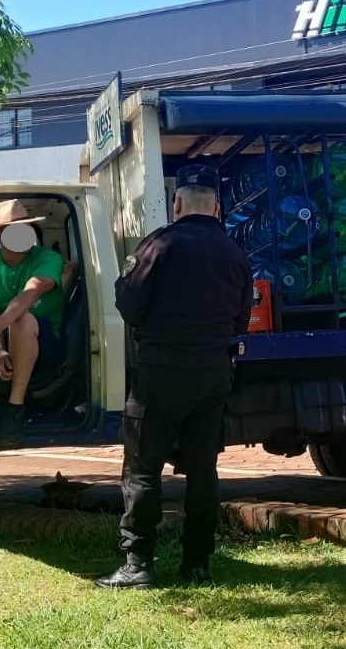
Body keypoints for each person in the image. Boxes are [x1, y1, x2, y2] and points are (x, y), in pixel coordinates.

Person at [95, 164, 253, 590]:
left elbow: (128, 302)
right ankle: (198, 563)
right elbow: (242, 317)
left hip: (162, 372)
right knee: (204, 471)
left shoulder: (159, 245)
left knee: (143, 469)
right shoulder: (235, 253)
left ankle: (138, 563)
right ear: (217, 207)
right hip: (213, 373)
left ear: (177, 203)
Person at [0, 199, 66, 446]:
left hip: (47, 344)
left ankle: (14, 409)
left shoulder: (48, 258)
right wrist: (0, 351)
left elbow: (33, 291)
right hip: (8, 340)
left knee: (21, 318)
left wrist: (4, 320)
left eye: (25, 228)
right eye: (14, 230)